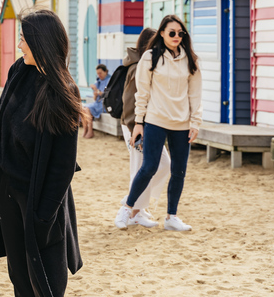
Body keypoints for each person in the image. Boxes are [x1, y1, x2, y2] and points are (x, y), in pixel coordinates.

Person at [0, 9, 83, 297]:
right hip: (7, 192)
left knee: (48, 287)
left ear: (40, 42)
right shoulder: (18, 73)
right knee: (21, 281)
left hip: (40, 201)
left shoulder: (62, 91)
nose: (19, 43)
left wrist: (42, 214)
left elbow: (63, 165)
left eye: (24, 37)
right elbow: (1, 128)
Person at [123, 15, 202, 232]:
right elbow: (142, 93)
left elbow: (195, 95)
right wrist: (139, 123)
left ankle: (171, 217)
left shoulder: (191, 60)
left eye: (180, 33)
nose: (177, 36)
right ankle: (128, 208)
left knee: (179, 171)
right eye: (172, 33)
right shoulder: (150, 58)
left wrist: (195, 121)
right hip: (155, 120)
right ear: (162, 34)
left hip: (182, 124)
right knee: (149, 166)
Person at [114, 28, 171, 229]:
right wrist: (135, 130)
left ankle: (136, 204)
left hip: (152, 127)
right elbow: (130, 102)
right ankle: (134, 211)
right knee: (139, 168)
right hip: (135, 127)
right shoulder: (137, 67)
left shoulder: (150, 66)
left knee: (164, 164)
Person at [81, 64, 110, 139]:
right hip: (97, 103)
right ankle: (85, 129)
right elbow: (95, 99)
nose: (99, 75)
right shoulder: (99, 81)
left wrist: (97, 91)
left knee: (87, 109)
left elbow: (106, 94)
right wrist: (95, 92)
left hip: (104, 104)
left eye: (100, 73)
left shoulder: (109, 80)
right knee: (83, 108)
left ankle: (90, 130)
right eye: (97, 73)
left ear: (105, 72)